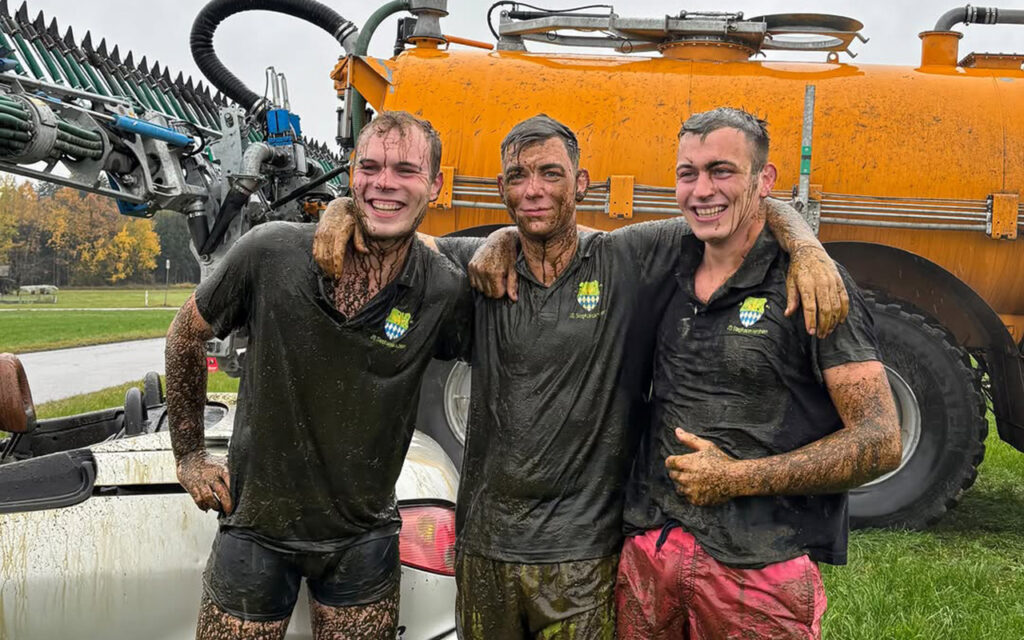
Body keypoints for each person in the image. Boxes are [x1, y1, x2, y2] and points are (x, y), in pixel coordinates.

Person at [314, 114, 847, 640]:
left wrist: (807, 247)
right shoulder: (476, 265)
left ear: (582, 184)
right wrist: (341, 209)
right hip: (484, 549)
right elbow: (398, 237)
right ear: (501, 188)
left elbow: (737, 202)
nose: (535, 190)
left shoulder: (626, 256)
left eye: (551, 174)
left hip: (583, 556)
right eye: (519, 178)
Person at [165, 110, 471, 640]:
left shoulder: (442, 290)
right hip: (254, 531)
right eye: (370, 167)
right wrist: (189, 455)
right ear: (351, 174)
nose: (384, 183)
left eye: (406, 169)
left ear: (436, 185)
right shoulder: (271, 252)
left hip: (362, 540)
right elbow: (184, 335)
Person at [616, 107, 902, 639]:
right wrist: (496, 243)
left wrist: (737, 478)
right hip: (654, 547)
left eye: (721, 170)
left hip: (761, 566)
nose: (702, 190)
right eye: (688, 173)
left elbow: (881, 440)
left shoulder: (811, 284)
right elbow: (566, 246)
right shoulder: (665, 257)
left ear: (763, 179)